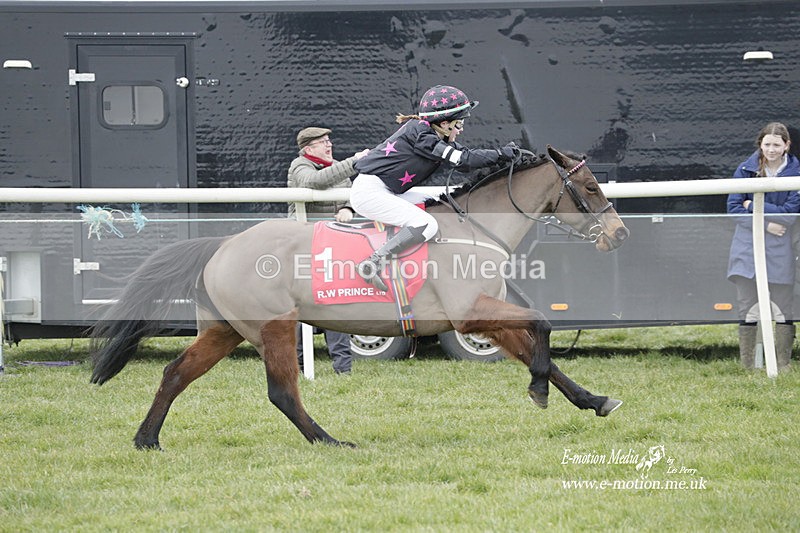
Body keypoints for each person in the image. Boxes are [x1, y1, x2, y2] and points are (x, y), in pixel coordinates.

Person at [349, 84, 519, 291]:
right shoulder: (421, 134)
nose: (461, 129)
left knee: (444, 199)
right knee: (426, 224)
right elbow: (463, 160)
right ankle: (372, 262)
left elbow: (469, 159)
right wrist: (501, 154)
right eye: (459, 123)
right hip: (370, 193)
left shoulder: (432, 135)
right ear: (444, 123)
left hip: (386, 190)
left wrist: (501, 157)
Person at [287, 126, 369, 374]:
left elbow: (349, 194)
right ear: (308, 149)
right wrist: (354, 161)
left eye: (329, 140)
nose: (329, 145)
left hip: (333, 248)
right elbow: (316, 182)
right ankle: (299, 366)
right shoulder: (299, 166)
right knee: (302, 309)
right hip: (305, 249)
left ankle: (343, 368)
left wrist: (348, 209)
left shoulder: (334, 166)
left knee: (336, 305)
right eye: (323, 142)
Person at [726, 122, 800, 371]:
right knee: (747, 306)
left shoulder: (796, 172)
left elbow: (791, 214)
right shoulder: (745, 169)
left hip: (780, 252)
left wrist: (752, 206)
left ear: (786, 145)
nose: (771, 149)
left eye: (777, 144)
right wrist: (767, 224)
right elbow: (733, 208)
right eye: (767, 144)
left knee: (783, 307)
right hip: (746, 250)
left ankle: (783, 364)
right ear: (760, 144)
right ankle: (748, 366)